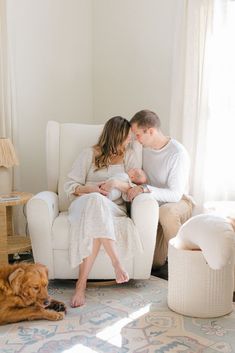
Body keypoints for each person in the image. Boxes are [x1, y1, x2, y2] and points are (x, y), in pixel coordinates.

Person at [64, 116, 142, 308]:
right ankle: (116, 262)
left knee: (97, 211)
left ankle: (80, 285)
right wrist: (91, 189)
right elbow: (69, 186)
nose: (129, 140)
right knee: (96, 201)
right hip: (84, 204)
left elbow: (134, 187)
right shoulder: (88, 154)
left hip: (113, 208)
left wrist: (116, 183)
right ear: (115, 136)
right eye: (126, 137)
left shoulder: (129, 156)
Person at [128, 109, 194, 272]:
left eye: (137, 135)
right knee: (154, 263)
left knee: (166, 212)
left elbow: (175, 194)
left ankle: (187, 265)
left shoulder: (177, 153)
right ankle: (166, 253)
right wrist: (143, 181)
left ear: (150, 131)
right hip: (155, 205)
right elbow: (147, 183)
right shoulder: (142, 149)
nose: (135, 139)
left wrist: (144, 187)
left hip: (179, 201)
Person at [81, 168, 147, 201]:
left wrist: (113, 183)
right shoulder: (125, 178)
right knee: (96, 196)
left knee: (97, 196)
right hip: (108, 191)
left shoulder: (126, 179)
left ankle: (86, 195)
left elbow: (129, 193)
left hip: (111, 193)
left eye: (133, 170)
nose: (131, 168)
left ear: (132, 177)